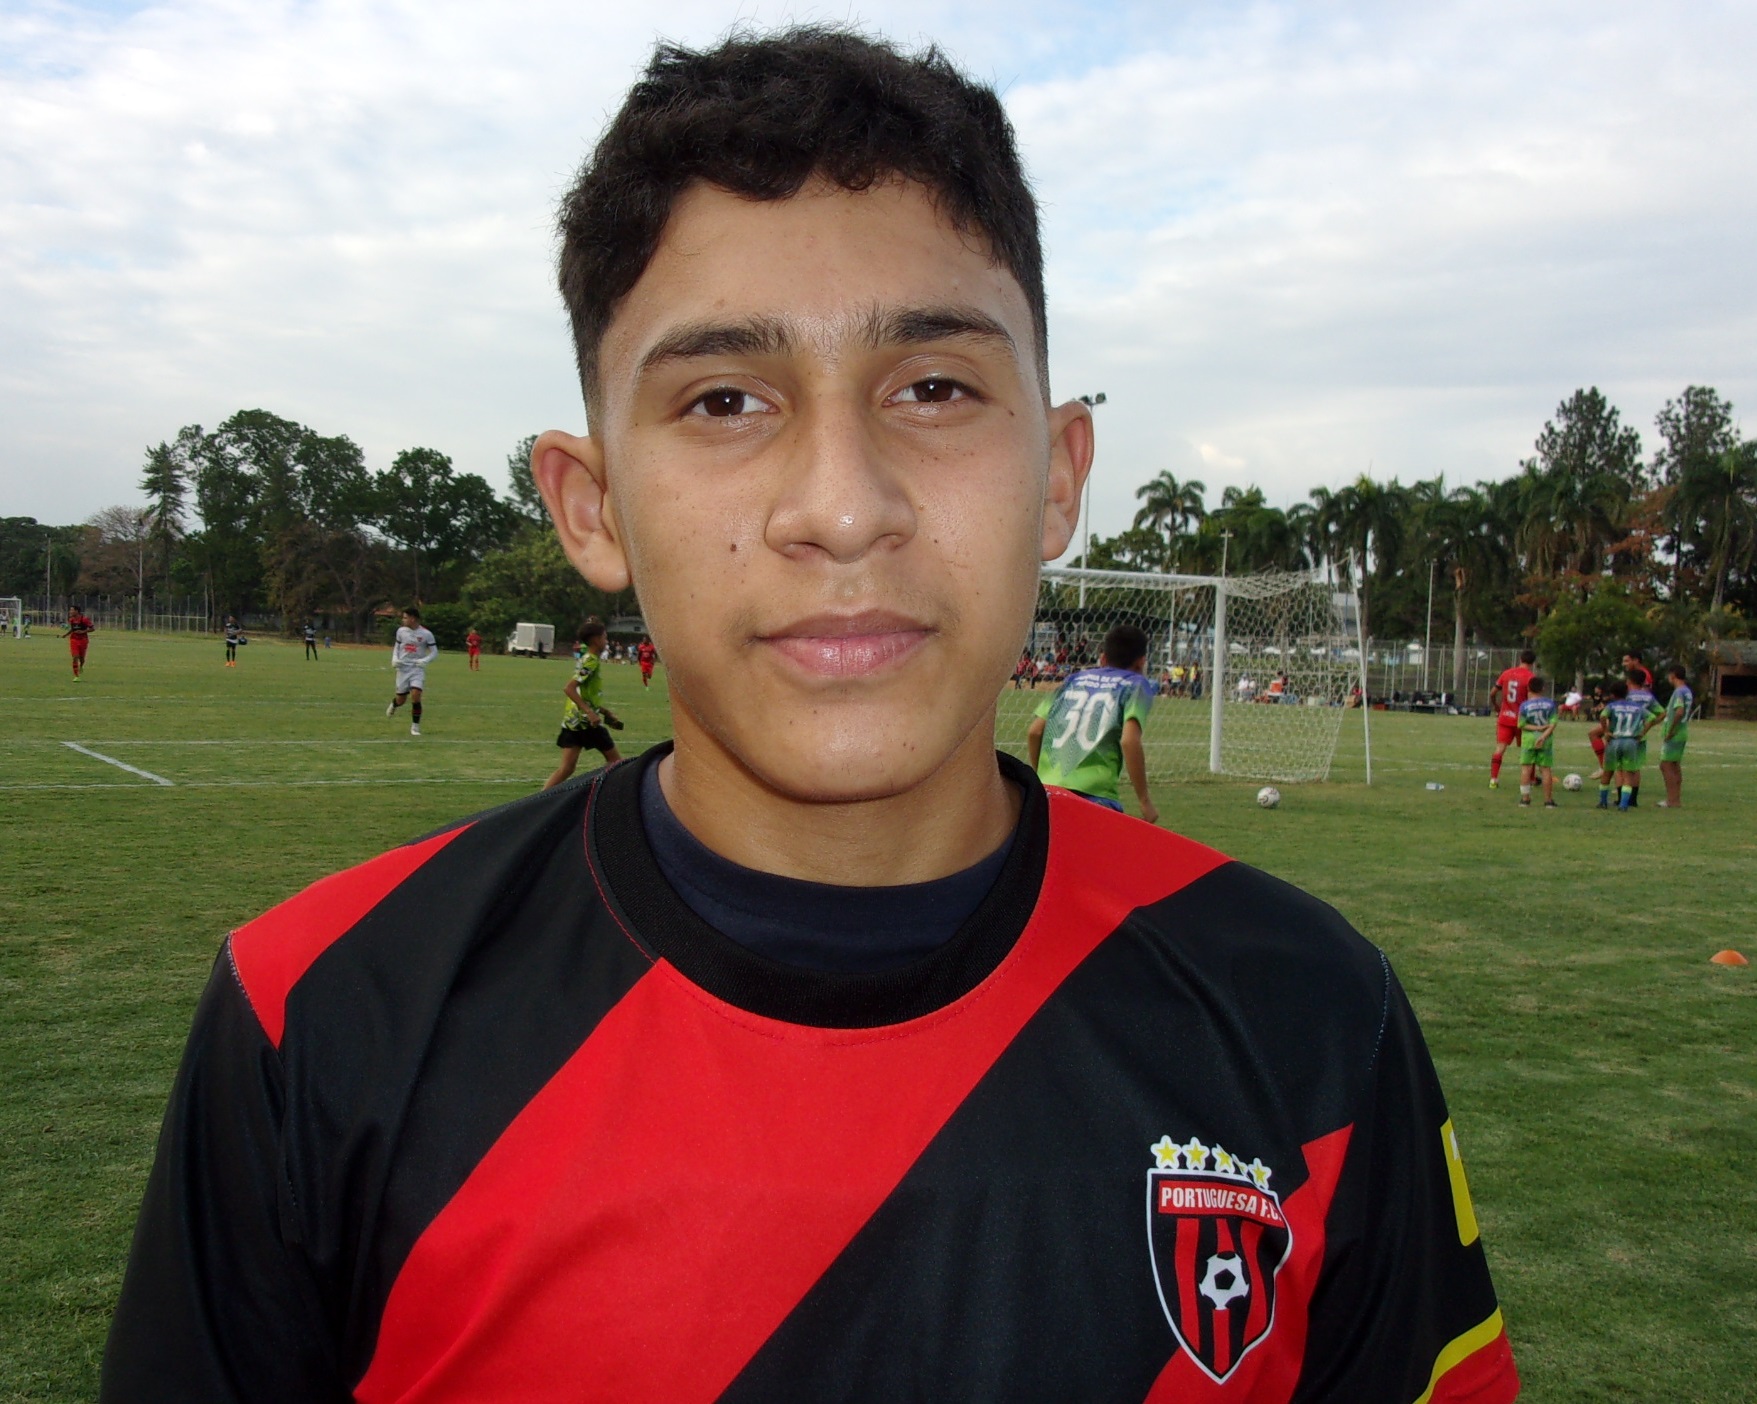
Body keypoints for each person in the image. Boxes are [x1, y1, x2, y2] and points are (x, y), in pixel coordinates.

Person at [102, 29, 1517, 1403]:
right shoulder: (319, 1016)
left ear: (1057, 477)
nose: (842, 506)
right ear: (592, 508)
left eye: (934, 388)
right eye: (724, 400)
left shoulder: (1312, 1017)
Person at [1025, 623, 1159, 825]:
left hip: (1049, 791)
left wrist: (1043, 777)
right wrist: (1144, 801)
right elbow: (1129, 741)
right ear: (1141, 662)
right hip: (1095, 794)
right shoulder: (1136, 685)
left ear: (1103, 658)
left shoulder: (1073, 680)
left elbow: (1035, 731)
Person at [544, 617, 623, 788]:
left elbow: (585, 694)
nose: (606, 641)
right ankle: (596, 792)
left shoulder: (587, 658)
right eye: (604, 637)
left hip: (573, 720)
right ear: (596, 640)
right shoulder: (590, 661)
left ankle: (539, 799)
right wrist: (590, 712)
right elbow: (570, 688)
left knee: (566, 768)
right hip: (585, 722)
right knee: (616, 762)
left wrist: (604, 711)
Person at [1601, 678, 1663, 813]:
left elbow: (1602, 716)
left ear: (1612, 694)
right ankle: (1624, 804)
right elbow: (1652, 717)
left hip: (1615, 740)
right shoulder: (1637, 707)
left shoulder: (1611, 706)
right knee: (1629, 773)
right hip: (1631, 741)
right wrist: (1642, 732)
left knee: (1609, 771)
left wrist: (1606, 731)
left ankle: (1603, 802)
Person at [385, 606, 437, 736]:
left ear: (413, 619)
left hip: (417, 669)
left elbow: (434, 652)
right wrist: (394, 658)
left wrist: (425, 660)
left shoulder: (426, 634)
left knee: (416, 695)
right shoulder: (401, 631)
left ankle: (415, 727)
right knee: (401, 700)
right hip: (403, 669)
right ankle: (394, 704)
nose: (403, 620)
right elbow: (397, 647)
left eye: (405, 617)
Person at [1487, 648, 1535, 789]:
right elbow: (1531, 701)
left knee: (1500, 749)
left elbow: (1492, 693)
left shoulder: (1506, 673)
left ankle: (1493, 779)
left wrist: (1496, 706)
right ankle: (1531, 779)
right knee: (1528, 749)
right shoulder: (1530, 677)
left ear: (1520, 659)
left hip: (1505, 718)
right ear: (1532, 663)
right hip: (1522, 720)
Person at [1515, 677, 1558, 808]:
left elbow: (1521, 724)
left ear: (1528, 688)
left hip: (1529, 740)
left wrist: (1536, 728)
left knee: (1526, 769)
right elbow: (1553, 724)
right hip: (1545, 740)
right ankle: (1548, 801)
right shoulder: (1550, 704)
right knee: (1545, 770)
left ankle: (1525, 799)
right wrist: (1543, 735)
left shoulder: (1524, 705)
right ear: (1543, 688)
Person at [1657, 664, 1693, 808]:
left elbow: (1679, 711)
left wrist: (1671, 730)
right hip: (1682, 731)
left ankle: (1672, 800)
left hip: (1675, 733)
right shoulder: (1687, 691)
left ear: (1673, 675)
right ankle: (1675, 798)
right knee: (1674, 765)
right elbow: (1668, 711)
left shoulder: (1679, 692)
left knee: (1665, 765)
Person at [1623, 667, 1659, 807]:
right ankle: (1633, 800)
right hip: (1640, 735)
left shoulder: (1627, 696)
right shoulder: (1648, 696)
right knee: (1635, 767)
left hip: (1625, 733)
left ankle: (1622, 799)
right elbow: (1662, 713)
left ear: (1629, 681)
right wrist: (1648, 726)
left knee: (1622, 767)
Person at [62, 605, 94, 678]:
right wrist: (66, 635)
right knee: (75, 656)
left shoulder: (84, 619)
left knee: (81, 658)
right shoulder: (71, 620)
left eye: (72, 610)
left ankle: (81, 666)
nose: (70, 612)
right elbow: (72, 629)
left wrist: (83, 631)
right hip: (74, 639)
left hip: (83, 640)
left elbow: (92, 628)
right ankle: (76, 675)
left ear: (76, 611)